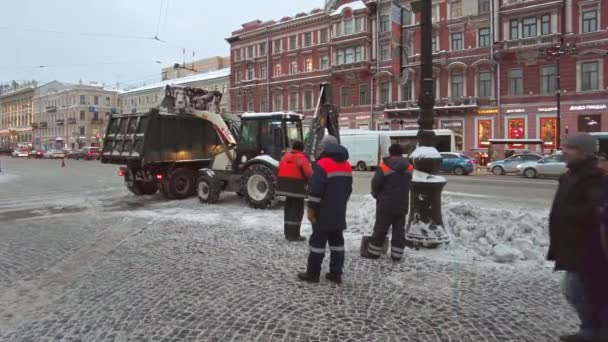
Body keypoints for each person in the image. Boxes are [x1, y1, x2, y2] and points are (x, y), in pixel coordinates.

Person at [547, 134, 604, 342]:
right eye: (565, 146)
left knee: (577, 290)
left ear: (585, 152)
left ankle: (593, 330)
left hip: (586, 246)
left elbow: (595, 210)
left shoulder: (593, 177)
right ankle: (592, 329)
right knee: (579, 290)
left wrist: (567, 214)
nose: (564, 150)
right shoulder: (570, 175)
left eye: (570, 147)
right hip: (571, 244)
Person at [298, 135, 352, 284]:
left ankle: (313, 274)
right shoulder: (347, 165)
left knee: (317, 244)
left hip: (323, 211)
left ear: (325, 147)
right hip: (339, 211)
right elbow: (348, 190)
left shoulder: (322, 164)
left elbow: (316, 191)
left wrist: (311, 209)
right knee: (337, 244)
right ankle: (336, 274)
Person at [363, 144, 412, 261]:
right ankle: (397, 255)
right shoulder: (409, 167)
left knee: (380, 228)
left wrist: (376, 195)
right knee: (399, 229)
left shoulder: (384, 166)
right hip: (402, 203)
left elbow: (375, 183)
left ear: (390, 153)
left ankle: (374, 253)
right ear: (401, 153)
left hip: (385, 204)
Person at [276, 141, 313, 241]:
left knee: (288, 210)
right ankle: (294, 235)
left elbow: (279, 168)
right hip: (297, 188)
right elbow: (309, 173)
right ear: (302, 149)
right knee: (296, 211)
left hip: (284, 188)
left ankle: (287, 233)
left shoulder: (285, 156)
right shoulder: (301, 158)